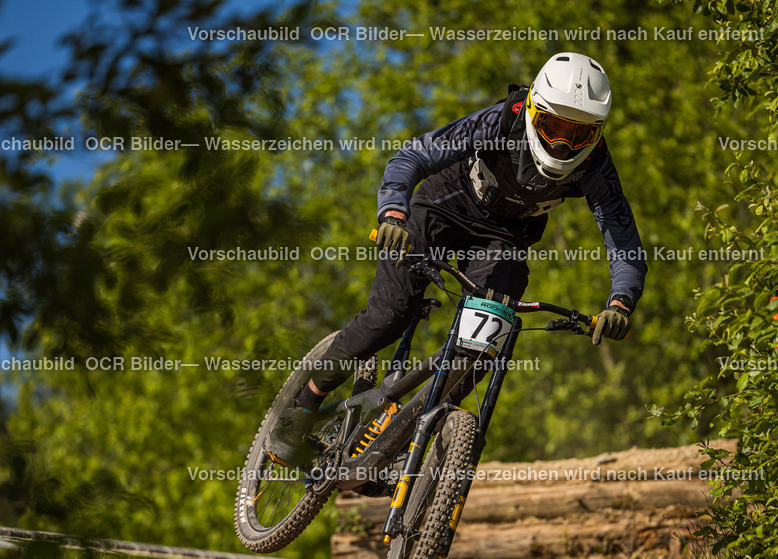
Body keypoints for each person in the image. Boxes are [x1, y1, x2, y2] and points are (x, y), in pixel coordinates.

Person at [266, 52, 647, 470]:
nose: (562, 143)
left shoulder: (596, 166)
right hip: (444, 205)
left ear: (597, 133)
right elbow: (414, 155)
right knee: (390, 314)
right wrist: (393, 213)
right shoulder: (501, 121)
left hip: (504, 237)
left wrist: (620, 302)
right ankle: (302, 407)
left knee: (480, 348)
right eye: (553, 127)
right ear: (533, 110)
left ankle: (411, 441)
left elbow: (623, 241)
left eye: (578, 134)